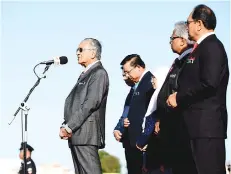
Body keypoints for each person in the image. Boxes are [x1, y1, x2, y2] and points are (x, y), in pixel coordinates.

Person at [167, 4, 229, 174]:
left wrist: (178, 97)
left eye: (188, 23)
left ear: (199, 24)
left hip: (206, 128)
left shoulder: (212, 46)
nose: (186, 27)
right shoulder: (200, 48)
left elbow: (209, 83)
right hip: (193, 127)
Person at [59, 38, 109, 174]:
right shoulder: (87, 73)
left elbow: (91, 103)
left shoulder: (98, 73)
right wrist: (66, 125)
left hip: (86, 134)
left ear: (93, 53)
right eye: (77, 50)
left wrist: (70, 126)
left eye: (81, 50)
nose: (77, 53)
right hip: (77, 134)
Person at [120, 54, 155, 174]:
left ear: (139, 67)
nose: (127, 75)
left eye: (128, 72)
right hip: (131, 141)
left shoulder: (150, 82)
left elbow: (151, 111)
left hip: (143, 142)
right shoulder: (135, 86)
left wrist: (145, 137)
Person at [113, 69, 135, 142]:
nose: (124, 78)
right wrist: (117, 129)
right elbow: (125, 114)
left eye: (126, 74)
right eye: (123, 75)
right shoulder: (132, 91)